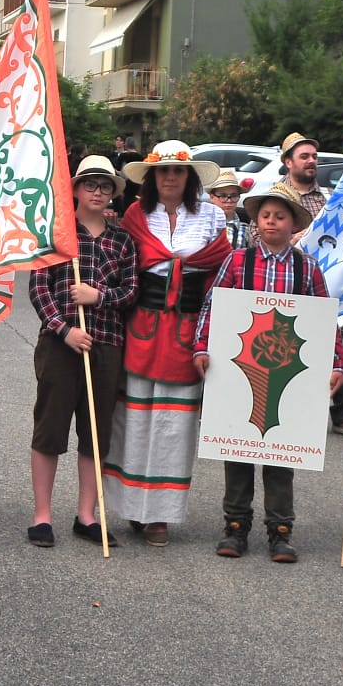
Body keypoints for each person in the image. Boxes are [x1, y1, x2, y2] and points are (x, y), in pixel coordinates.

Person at [193, 183, 343, 563]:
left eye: (280, 216)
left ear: (294, 223)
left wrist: (336, 362)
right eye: (265, 216)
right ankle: (235, 525)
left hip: (287, 371)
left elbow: (325, 319)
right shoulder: (238, 262)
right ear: (256, 222)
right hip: (239, 368)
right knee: (238, 445)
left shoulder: (306, 267)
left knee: (282, 447)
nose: (272, 222)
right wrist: (202, 346)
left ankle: (280, 529)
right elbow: (213, 306)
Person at [104, 140, 230, 546]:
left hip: (189, 327)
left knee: (174, 425)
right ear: (153, 178)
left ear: (189, 177)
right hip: (142, 324)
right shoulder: (136, 217)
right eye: (164, 171)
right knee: (135, 419)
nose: (171, 177)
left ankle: (159, 514)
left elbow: (220, 272)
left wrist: (211, 337)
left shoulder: (212, 217)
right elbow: (121, 268)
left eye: (178, 171)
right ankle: (130, 508)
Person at [26, 156, 137, 548]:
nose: (98, 192)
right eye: (90, 184)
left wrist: (98, 296)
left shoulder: (122, 239)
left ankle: (87, 514)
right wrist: (64, 329)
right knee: (50, 427)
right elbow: (39, 288)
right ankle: (42, 515)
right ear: (74, 189)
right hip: (60, 344)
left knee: (96, 432)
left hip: (106, 343)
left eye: (105, 187)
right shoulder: (58, 234)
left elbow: (129, 292)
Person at [279, 131, 343, 438]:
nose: (312, 161)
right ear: (289, 162)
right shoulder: (277, 196)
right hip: (287, 285)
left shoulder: (329, 199)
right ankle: (291, 407)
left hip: (326, 285)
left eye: (314, 156)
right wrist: (292, 239)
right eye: (305, 156)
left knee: (340, 345)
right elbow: (257, 236)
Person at [206, 168, 249, 249]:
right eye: (223, 196)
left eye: (234, 196)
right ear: (212, 197)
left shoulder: (245, 230)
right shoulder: (202, 224)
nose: (229, 201)